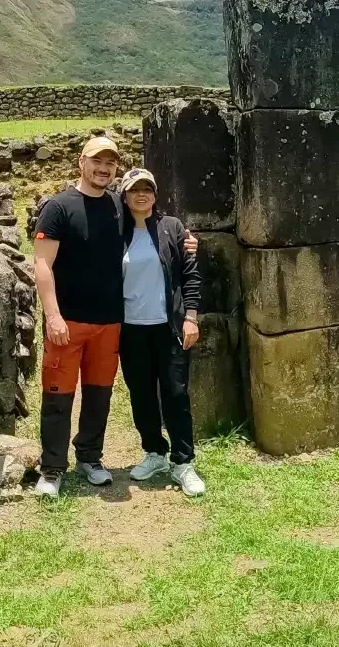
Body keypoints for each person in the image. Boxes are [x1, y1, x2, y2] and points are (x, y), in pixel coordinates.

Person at [31, 135, 129, 497]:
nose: (103, 169)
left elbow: (152, 225)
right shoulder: (58, 208)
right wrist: (52, 315)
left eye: (110, 163)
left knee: (99, 394)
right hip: (67, 321)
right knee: (58, 396)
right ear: (81, 162)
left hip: (109, 320)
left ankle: (90, 457)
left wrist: (185, 240)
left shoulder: (118, 206)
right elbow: (42, 264)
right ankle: (52, 468)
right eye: (96, 161)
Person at [116, 167, 206, 497]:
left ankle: (183, 462)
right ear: (125, 196)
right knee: (141, 394)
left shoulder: (172, 228)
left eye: (147, 189)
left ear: (155, 194)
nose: (141, 195)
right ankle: (154, 452)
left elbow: (191, 275)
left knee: (176, 394)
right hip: (131, 329)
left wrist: (191, 317)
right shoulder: (117, 232)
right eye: (134, 190)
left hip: (169, 327)